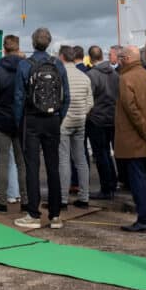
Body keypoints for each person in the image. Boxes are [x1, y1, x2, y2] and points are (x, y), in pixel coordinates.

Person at [13, 27, 70, 230]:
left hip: (32, 119)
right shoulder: (58, 64)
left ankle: (33, 214)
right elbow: (66, 96)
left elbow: (19, 97)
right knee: (53, 167)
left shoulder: (25, 65)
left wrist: (20, 122)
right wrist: (58, 117)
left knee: (32, 167)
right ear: (50, 42)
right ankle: (55, 215)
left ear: (32, 42)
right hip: (53, 119)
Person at [115, 45, 146, 232]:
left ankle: (144, 218)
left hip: (136, 139)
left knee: (139, 180)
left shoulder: (125, 78)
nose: (118, 60)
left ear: (126, 59)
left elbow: (131, 109)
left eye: (120, 57)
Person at [0, 34, 28, 213]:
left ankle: (2, 201)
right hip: (22, 120)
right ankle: (26, 199)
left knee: (2, 162)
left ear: (4, 49)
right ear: (18, 48)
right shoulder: (26, 67)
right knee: (22, 162)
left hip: (1, 119)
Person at [57, 45, 92, 210]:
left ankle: (62, 199)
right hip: (80, 121)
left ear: (62, 57)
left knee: (64, 160)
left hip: (64, 121)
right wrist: (81, 113)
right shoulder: (84, 76)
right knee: (81, 160)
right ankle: (84, 197)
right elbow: (90, 102)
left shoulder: (60, 75)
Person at [85, 45, 119, 199]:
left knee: (101, 154)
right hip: (112, 117)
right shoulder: (114, 73)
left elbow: (89, 98)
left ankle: (106, 187)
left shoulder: (92, 75)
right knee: (108, 153)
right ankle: (112, 183)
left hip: (97, 118)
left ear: (90, 58)